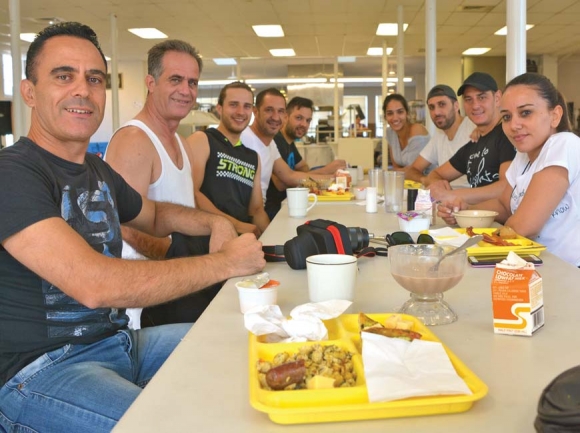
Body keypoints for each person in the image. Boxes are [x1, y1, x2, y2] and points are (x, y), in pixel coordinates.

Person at [0, 22, 265, 432]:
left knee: (247, 345)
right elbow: (94, 284)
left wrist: (214, 222)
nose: (83, 90)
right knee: (174, 425)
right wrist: (224, 263)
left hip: (119, 343)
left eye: (94, 79)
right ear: (29, 91)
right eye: (63, 76)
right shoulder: (13, 174)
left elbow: (156, 215)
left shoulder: (95, 170)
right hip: (42, 370)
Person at [105, 39, 204, 328]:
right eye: (175, 79)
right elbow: (122, 227)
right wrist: (182, 256)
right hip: (144, 305)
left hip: (177, 286)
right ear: (151, 82)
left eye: (192, 82)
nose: (186, 91)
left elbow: (188, 210)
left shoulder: (181, 143)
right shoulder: (134, 141)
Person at [438, 73, 580, 267]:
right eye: (506, 116)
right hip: (531, 265)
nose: (514, 125)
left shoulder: (564, 144)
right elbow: (504, 206)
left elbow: (524, 226)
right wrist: (464, 212)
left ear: (554, 115)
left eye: (526, 113)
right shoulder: (524, 156)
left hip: (567, 273)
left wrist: (479, 237)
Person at [186, 81, 269, 237]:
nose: (240, 112)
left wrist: (275, 238)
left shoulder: (252, 157)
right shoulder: (202, 140)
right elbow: (191, 194)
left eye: (247, 106)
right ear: (219, 108)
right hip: (206, 238)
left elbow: (256, 210)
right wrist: (236, 225)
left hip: (240, 240)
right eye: (233, 105)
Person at [425, 72, 516, 204]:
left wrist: (452, 195)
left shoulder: (508, 135)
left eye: (482, 97)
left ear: (497, 98)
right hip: (475, 220)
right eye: (468, 99)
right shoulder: (473, 144)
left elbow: (507, 187)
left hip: (504, 223)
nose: (475, 105)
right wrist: (438, 186)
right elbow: (435, 174)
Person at [241, 88, 339, 205]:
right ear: (255, 112)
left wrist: (332, 180)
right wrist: (330, 177)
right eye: (269, 110)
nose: (276, 117)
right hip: (267, 210)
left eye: (280, 111)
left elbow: (290, 176)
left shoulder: (270, 144)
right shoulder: (244, 139)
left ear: (284, 115)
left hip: (263, 211)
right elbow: (283, 183)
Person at [264, 96, 346, 219]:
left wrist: (298, 176)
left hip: (291, 204)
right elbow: (282, 182)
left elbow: (303, 168)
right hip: (276, 210)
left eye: (308, 120)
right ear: (286, 117)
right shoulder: (275, 141)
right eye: (299, 118)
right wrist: (328, 174)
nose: (304, 124)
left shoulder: (290, 142)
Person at [405, 84, 475, 187]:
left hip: (470, 199)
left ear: (456, 106)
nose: (436, 112)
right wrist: (426, 180)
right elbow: (412, 170)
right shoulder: (439, 136)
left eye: (442, 104)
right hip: (445, 198)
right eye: (431, 107)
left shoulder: (473, 127)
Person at [382, 93, 430, 170]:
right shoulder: (390, 133)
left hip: (428, 180)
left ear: (407, 113)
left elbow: (415, 171)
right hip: (405, 181)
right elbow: (396, 167)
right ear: (385, 117)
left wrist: (398, 171)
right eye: (390, 113)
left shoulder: (417, 130)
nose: (395, 118)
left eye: (400, 112)